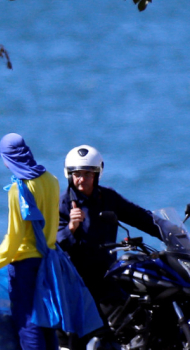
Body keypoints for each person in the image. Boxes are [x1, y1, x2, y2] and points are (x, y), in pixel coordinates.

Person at [56, 145, 162, 349]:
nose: (81, 180)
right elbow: (57, 244)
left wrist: (167, 229)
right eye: (77, 174)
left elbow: (138, 216)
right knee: (73, 341)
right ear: (69, 175)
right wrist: (71, 227)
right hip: (74, 282)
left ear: (97, 174)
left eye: (87, 174)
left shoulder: (107, 198)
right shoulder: (62, 204)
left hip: (105, 276)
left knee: (126, 329)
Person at [0, 133, 60, 350]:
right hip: (49, 260)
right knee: (46, 320)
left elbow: (15, 237)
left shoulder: (19, 189)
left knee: (27, 321)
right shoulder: (51, 180)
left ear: (9, 159)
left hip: (25, 265)